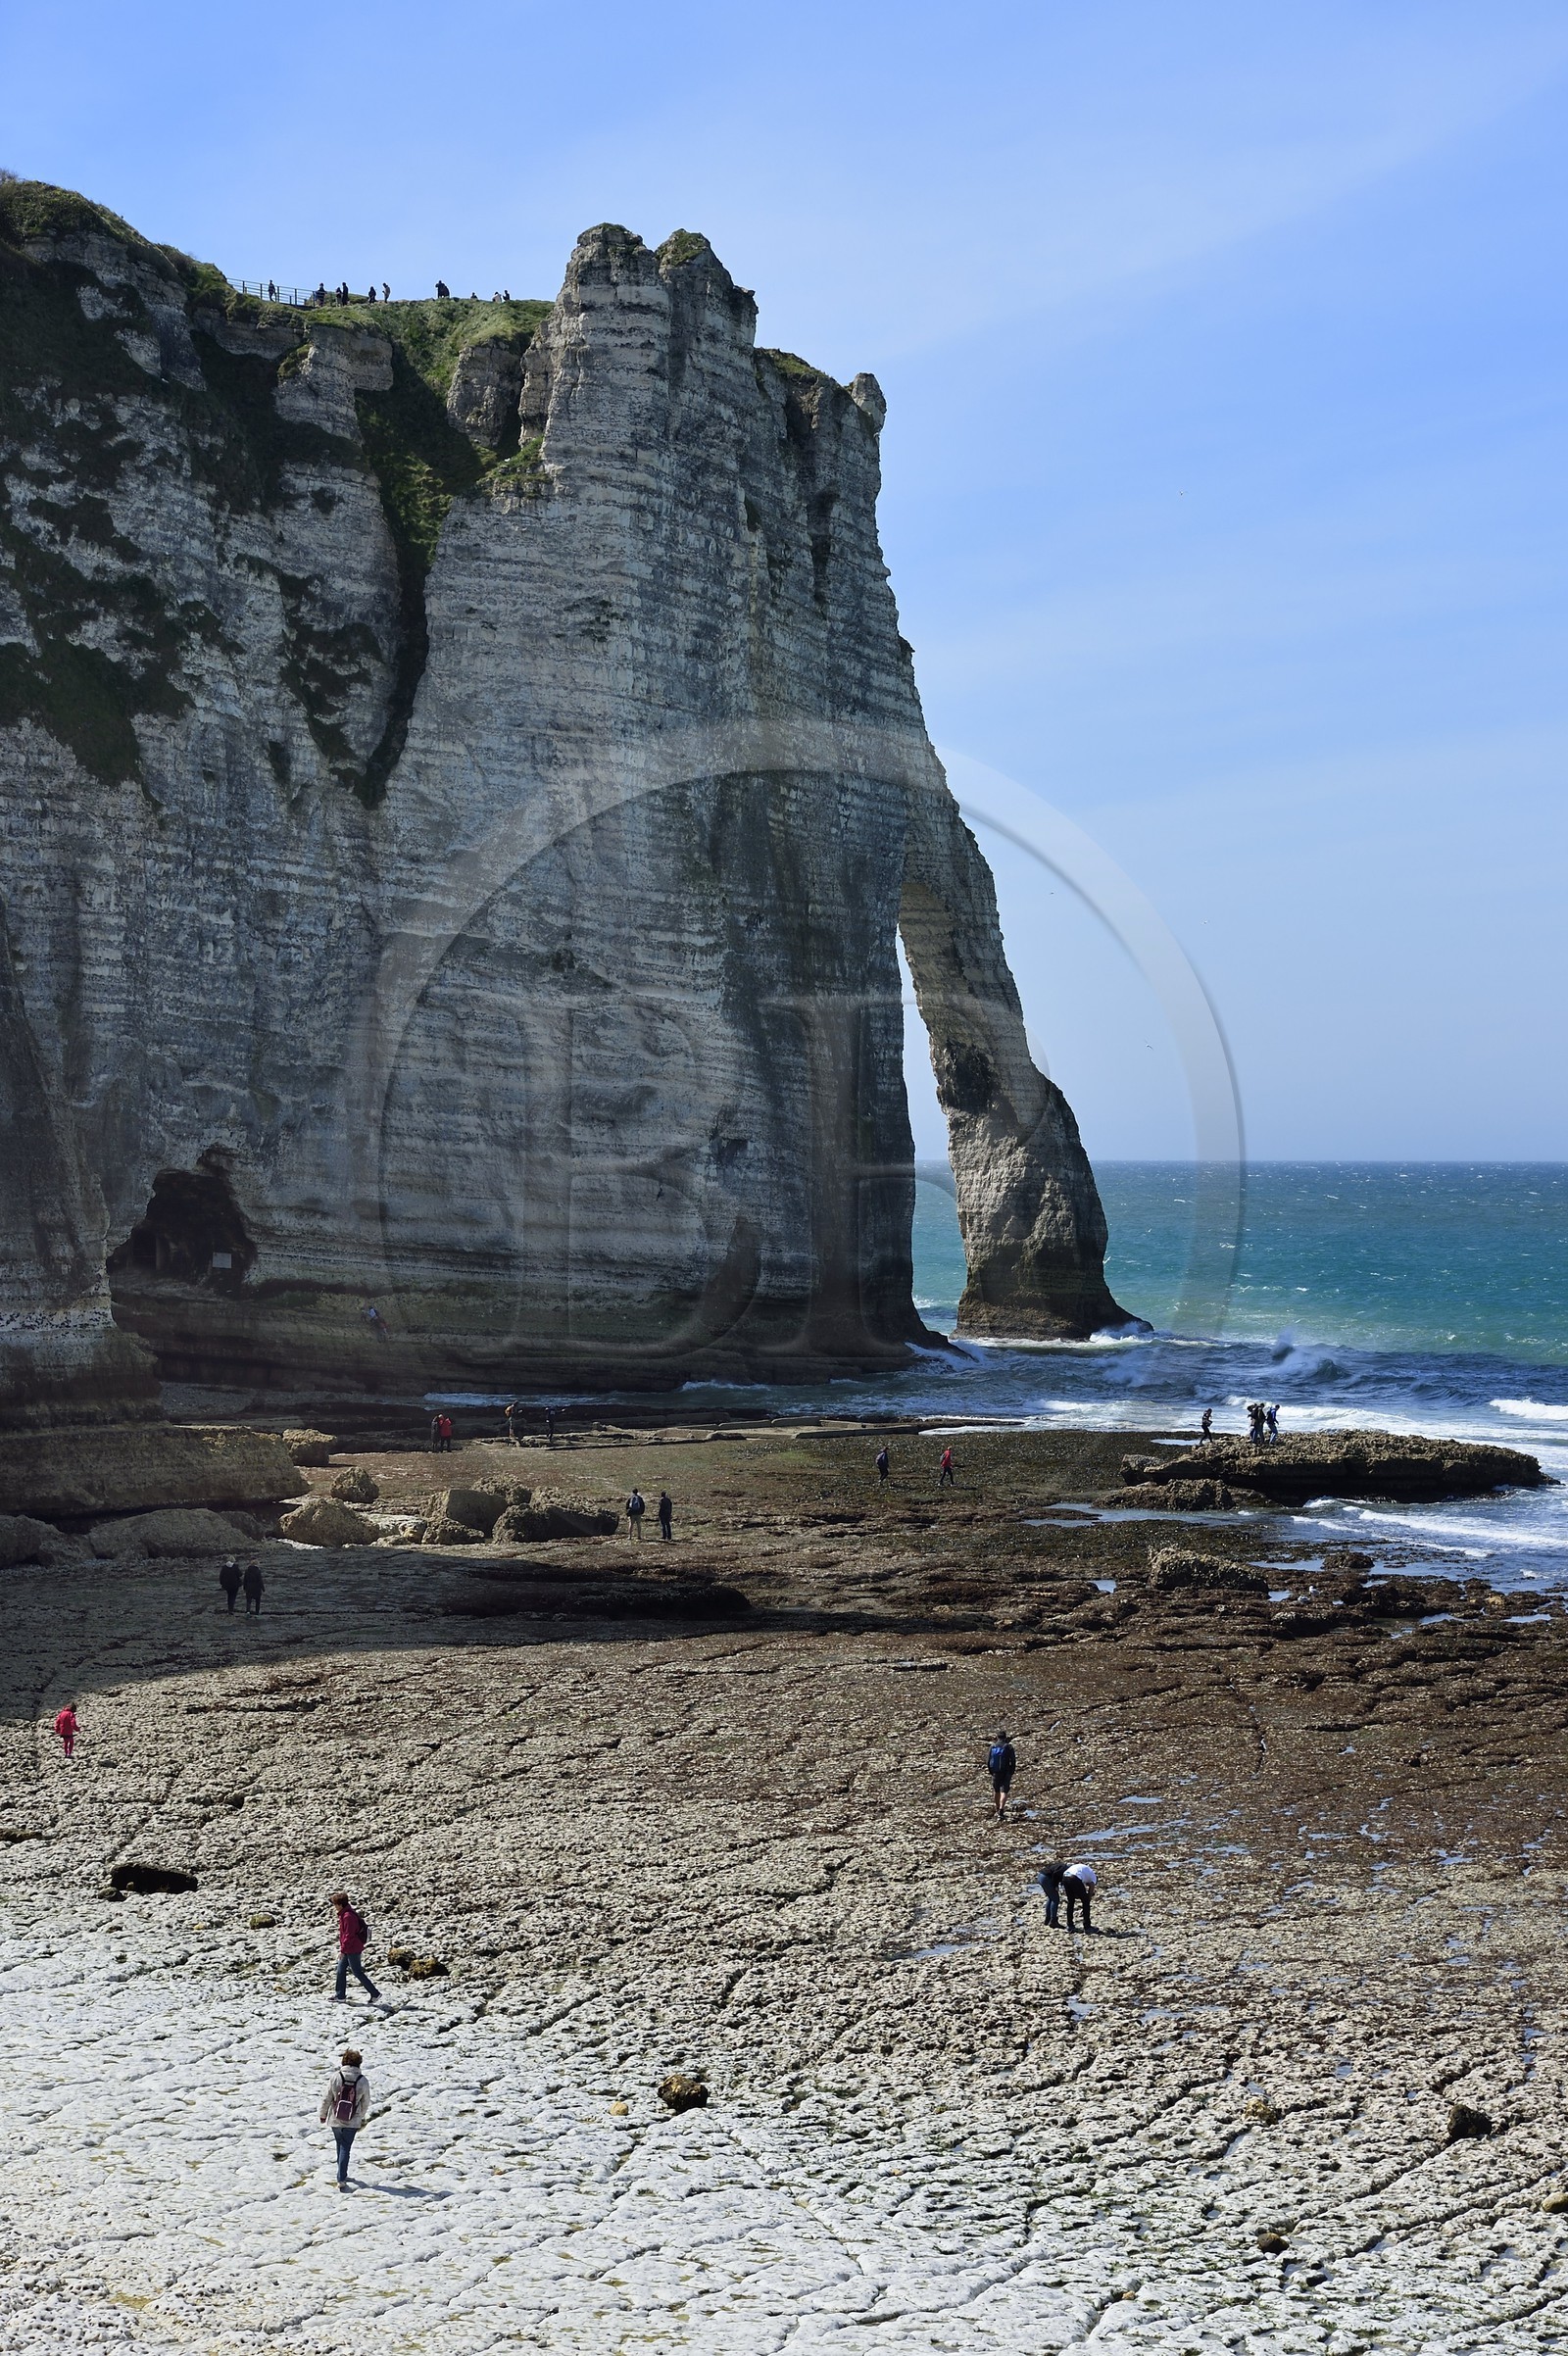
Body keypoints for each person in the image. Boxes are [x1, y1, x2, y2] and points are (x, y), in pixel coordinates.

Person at [319, 2046, 370, 2188]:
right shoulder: (362, 2080)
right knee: (345, 2147)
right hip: (352, 2120)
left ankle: (341, 2173)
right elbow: (365, 2102)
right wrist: (360, 2116)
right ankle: (341, 2178)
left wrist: (323, 2114)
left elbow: (327, 2098)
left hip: (335, 2118)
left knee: (340, 2144)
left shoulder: (336, 2077)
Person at [331, 1891, 380, 2002]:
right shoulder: (345, 1914)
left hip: (353, 1948)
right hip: (349, 1948)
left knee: (357, 1972)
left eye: (335, 1904)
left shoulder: (348, 1916)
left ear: (340, 1905)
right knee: (340, 1970)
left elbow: (349, 1935)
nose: (334, 1906)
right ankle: (340, 1996)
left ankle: (375, 1994)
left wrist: (343, 1950)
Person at [987, 1730, 1016, 1820]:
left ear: (997, 1737)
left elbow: (988, 1761)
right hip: (1006, 1772)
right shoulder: (1009, 1747)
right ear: (1005, 1737)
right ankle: (1001, 1810)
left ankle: (997, 1808)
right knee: (1004, 1791)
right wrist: (1011, 1771)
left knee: (996, 1790)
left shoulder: (992, 1746)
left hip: (995, 1772)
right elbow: (1013, 1761)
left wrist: (991, 1771)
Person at [1062, 1859, 1098, 1933]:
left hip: (1065, 1876)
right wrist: (1088, 1899)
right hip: (1074, 1877)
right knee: (1085, 1902)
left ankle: (1070, 1925)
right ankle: (1087, 1927)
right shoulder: (1093, 1877)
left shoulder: (1085, 1871)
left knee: (1071, 1901)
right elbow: (1091, 1887)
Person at [1037, 1860, 1067, 1928]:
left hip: (1040, 1876)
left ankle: (1047, 1919)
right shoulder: (1065, 1869)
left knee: (1050, 1898)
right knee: (1055, 1899)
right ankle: (1053, 1921)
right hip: (1046, 1878)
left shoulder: (1062, 1866)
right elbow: (1056, 1874)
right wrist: (1055, 1885)